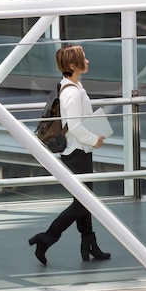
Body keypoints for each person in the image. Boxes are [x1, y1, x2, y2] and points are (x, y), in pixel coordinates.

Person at [28, 45, 111, 265]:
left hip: (79, 150)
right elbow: (74, 126)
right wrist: (95, 139)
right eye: (84, 58)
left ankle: (89, 244)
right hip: (76, 152)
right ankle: (46, 239)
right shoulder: (72, 93)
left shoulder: (73, 87)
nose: (88, 61)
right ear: (72, 65)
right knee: (83, 203)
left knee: (83, 201)